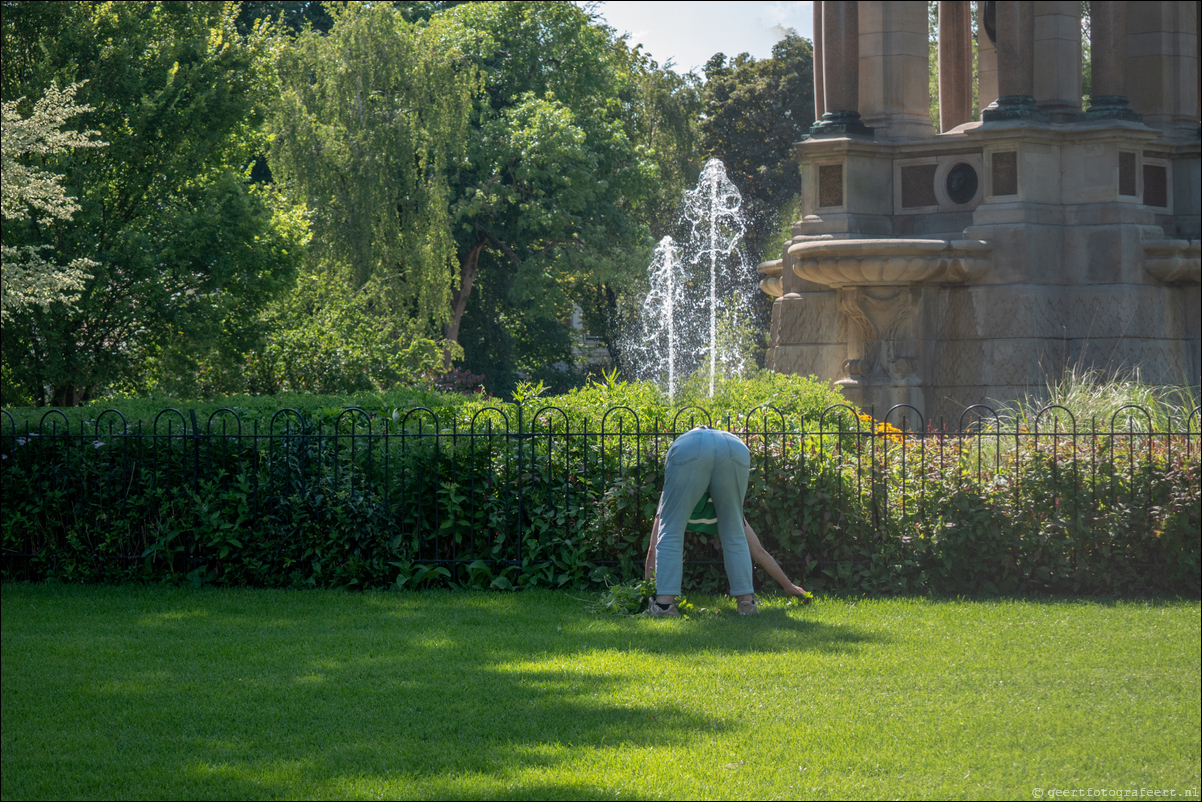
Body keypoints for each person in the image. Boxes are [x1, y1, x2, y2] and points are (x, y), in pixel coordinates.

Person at [646, 425, 758, 617]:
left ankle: (664, 606)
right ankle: (747, 604)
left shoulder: (684, 442)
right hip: (735, 446)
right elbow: (759, 550)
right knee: (734, 531)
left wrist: (647, 583)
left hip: (687, 447)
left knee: (671, 529)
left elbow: (656, 539)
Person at [643, 503, 810, 602]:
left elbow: (653, 550)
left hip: (679, 497)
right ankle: (747, 603)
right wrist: (788, 586)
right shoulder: (724, 492)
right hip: (720, 497)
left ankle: (660, 603)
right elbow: (759, 552)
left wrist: (647, 595)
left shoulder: (672, 493)